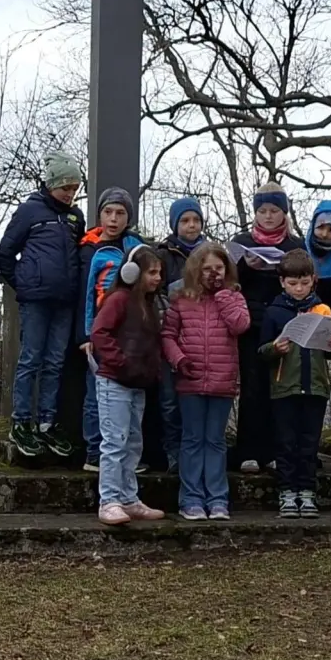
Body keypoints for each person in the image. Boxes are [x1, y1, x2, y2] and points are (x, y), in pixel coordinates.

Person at [0, 151, 86, 458]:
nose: (70, 194)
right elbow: (5, 254)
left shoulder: (76, 217)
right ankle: (21, 421)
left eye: (74, 189)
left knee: (55, 362)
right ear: (51, 185)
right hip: (35, 299)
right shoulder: (29, 212)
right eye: (65, 188)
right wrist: (23, 283)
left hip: (65, 300)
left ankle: (48, 421)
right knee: (30, 359)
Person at [162, 243, 250, 521]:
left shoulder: (234, 297)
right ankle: (191, 499)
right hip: (190, 381)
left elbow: (240, 326)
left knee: (215, 441)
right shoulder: (181, 299)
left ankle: (217, 498)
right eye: (207, 269)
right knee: (192, 440)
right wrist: (179, 359)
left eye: (218, 268)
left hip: (222, 382)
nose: (213, 274)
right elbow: (167, 335)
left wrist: (224, 296)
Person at [258, 249, 331, 519]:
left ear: (313, 280)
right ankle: (287, 492)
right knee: (286, 443)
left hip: (316, 387)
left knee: (309, 444)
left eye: (304, 283)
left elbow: (330, 352)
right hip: (285, 388)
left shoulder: (322, 308)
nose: (299, 288)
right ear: (282, 281)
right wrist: (275, 348)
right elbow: (261, 351)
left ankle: (307, 493)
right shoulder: (273, 311)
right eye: (293, 283)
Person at [90, 245, 168, 525]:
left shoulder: (149, 304)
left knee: (134, 442)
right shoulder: (119, 299)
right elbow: (99, 332)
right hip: (115, 382)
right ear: (132, 272)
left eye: (160, 272)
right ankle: (108, 500)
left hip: (138, 383)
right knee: (115, 442)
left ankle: (128, 498)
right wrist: (122, 362)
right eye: (152, 272)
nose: (158, 278)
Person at [77, 186, 147, 471]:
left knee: (129, 394)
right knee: (96, 393)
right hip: (99, 331)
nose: (113, 219)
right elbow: (84, 296)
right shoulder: (89, 250)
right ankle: (95, 451)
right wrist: (85, 335)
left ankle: (128, 455)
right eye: (108, 212)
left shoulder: (137, 248)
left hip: (131, 333)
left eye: (120, 213)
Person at [231, 181, 299, 473]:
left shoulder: (294, 245)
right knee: (251, 386)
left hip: (283, 323)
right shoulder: (243, 240)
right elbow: (230, 282)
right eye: (262, 210)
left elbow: (303, 277)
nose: (268, 216)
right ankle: (248, 448)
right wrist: (247, 266)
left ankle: (273, 449)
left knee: (279, 387)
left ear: (284, 213)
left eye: (274, 210)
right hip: (250, 323)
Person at [151, 196, 206, 467]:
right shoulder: (163, 253)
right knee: (169, 400)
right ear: (175, 224)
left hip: (201, 337)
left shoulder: (210, 253)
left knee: (194, 400)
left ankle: (194, 452)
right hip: (170, 333)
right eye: (185, 220)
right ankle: (173, 451)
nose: (191, 226)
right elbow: (155, 292)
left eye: (196, 220)